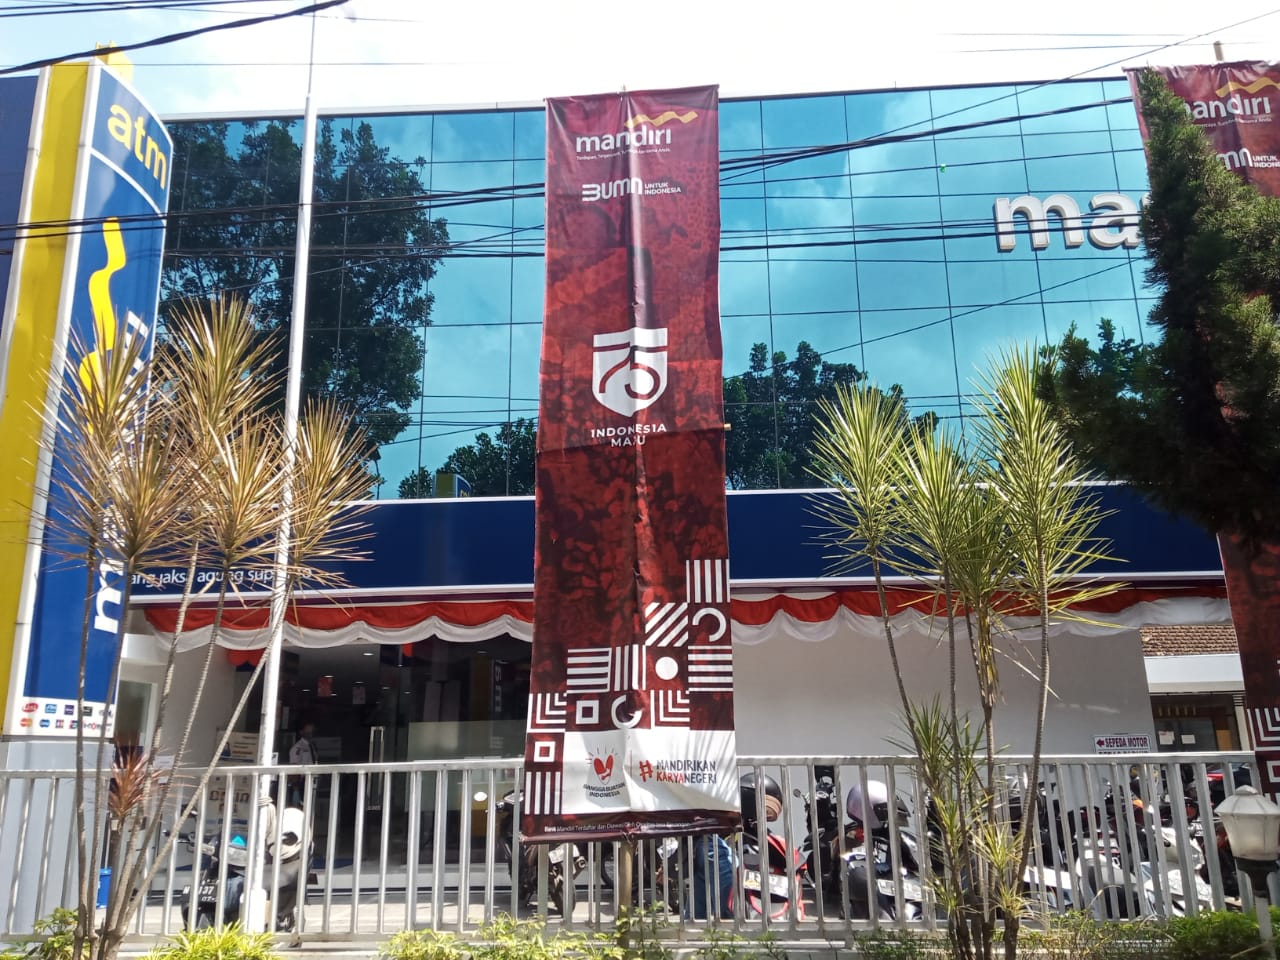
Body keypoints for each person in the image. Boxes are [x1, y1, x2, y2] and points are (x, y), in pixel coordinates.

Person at [287, 721, 316, 806]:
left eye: (312, 730)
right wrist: (296, 787)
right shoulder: (297, 748)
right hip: (301, 783)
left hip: (311, 781)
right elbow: (294, 767)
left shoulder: (312, 746)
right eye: (308, 730)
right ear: (301, 732)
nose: (310, 733)